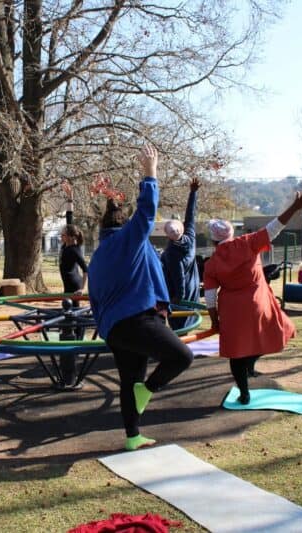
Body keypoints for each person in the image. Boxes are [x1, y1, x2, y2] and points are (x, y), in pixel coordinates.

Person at [88, 144, 194, 451]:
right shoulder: (126, 240)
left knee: (129, 381)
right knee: (181, 357)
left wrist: (105, 328)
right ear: (122, 226)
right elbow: (146, 213)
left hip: (115, 329)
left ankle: (133, 435)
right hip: (138, 319)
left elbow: (94, 299)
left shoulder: (98, 257)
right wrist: (150, 173)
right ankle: (147, 391)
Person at [203, 191, 302, 404]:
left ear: (214, 239)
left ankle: (244, 392)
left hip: (231, 311)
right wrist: (295, 206)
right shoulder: (247, 242)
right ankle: (251, 361)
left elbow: (209, 297)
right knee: (282, 330)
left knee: (236, 353)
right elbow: (275, 227)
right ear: (231, 233)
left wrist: (215, 321)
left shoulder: (212, 263)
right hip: (258, 304)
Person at [57, 180, 89, 389]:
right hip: (68, 285)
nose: (61, 236)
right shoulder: (67, 244)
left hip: (74, 284)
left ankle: (78, 341)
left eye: (63, 235)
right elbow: (70, 218)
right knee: (69, 313)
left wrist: (83, 288)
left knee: (75, 313)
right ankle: (73, 339)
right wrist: (69, 198)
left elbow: (87, 270)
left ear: (69, 237)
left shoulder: (75, 249)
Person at [160, 177, 201, 331]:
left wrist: (178, 298)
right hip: (193, 286)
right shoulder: (190, 237)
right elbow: (191, 215)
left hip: (180, 292)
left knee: (179, 324)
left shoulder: (172, 254)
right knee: (189, 319)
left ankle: (180, 344)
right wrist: (193, 193)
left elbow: (179, 278)